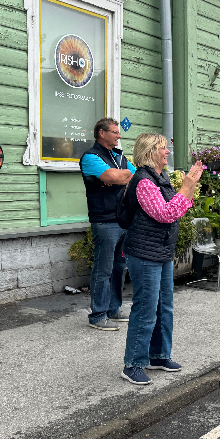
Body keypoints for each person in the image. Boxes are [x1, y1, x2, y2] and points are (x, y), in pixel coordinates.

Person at [120, 133, 203, 385]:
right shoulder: (144, 181)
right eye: (163, 148)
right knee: (146, 309)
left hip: (161, 250)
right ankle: (133, 364)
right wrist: (186, 188)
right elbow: (165, 214)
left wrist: (189, 188)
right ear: (149, 152)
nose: (167, 152)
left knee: (164, 306)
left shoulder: (161, 178)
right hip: (144, 253)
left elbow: (177, 209)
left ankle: (158, 355)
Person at [80, 118, 137, 331]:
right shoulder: (90, 157)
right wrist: (118, 177)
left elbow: (135, 176)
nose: (118, 136)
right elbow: (113, 176)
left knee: (119, 267)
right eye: (114, 132)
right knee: (103, 269)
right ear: (102, 133)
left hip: (122, 220)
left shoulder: (119, 156)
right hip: (104, 221)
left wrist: (121, 177)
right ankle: (97, 315)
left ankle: (113, 309)